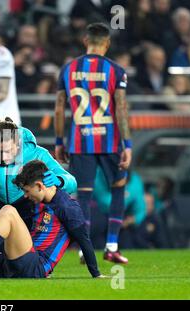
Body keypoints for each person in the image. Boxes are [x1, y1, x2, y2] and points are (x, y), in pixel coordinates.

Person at [54, 23, 132, 264]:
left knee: (84, 196)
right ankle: (111, 246)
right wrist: (127, 143)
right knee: (118, 188)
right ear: (106, 43)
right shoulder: (116, 70)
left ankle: (83, 249)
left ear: (85, 40)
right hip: (110, 141)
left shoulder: (68, 70)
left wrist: (59, 141)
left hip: (80, 141)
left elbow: (59, 108)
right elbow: (120, 108)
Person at [0, 160, 103, 279]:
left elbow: (84, 241)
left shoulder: (67, 207)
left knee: (8, 211)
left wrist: (96, 274)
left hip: (36, 266)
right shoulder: (34, 202)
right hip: (16, 260)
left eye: (27, 191)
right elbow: (10, 231)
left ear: (40, 186)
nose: (26, 195)